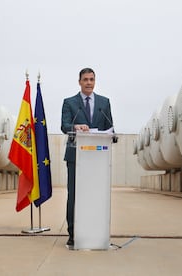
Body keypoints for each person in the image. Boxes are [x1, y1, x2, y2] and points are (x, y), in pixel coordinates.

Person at [61, 68, 114, 247]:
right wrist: (76, 127)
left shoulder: (104, 103)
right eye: (85, 79)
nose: (89, 83)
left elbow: (109, 127)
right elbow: (64, 125)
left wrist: (111, 134)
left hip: (98, 158)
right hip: (76, 156)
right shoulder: (69, 103)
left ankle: (96, 232)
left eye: (92, 79)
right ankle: (73, 234)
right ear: (79, 82)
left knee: (96, 196)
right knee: (74, 196)